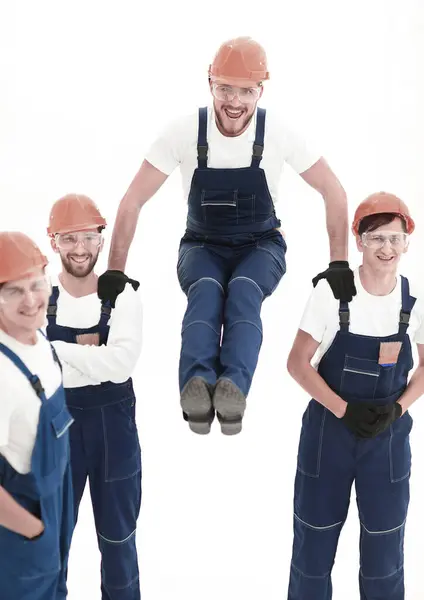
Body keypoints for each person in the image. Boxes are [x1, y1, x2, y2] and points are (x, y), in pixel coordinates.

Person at [97, 36, 355, 435]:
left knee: (244, 291)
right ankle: (196, 388)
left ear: (261, 91)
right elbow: (132, 201)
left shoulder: (279, 133)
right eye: (225, 89)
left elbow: (333, 190)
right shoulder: (182, 132)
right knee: (206, 290)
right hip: (201, 245)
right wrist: (115, 270)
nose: (234, 102)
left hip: (262, 245)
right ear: (210, 84)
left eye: (246, 91)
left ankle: (233, 389)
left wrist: (339, 262)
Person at [286, 192, 424, 600]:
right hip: (329, 435)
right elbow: (296, 363)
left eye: (395, 239)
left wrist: (397, 408)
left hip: (387, 441)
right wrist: (344, 410)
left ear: (407, 243)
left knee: (385, 552)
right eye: (376, 238)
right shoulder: (332, 293)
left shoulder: (413, 302)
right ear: (359, 240)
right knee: (313, 546)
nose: (386, 248)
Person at [45, 194, 143, 600]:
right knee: (50, 546)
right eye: (69, 239)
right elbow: (25, 362)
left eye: (88, 237)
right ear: (53, 242)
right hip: (55, 431)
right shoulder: (39, 298)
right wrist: (90, 352)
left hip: (113, 433)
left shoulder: (124, 297)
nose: (80, 249)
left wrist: (51, 348)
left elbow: (120, 365)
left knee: (118, 543)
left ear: (102, 239)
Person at [0, 231, 74, 599]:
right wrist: (33, 531)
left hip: (57, 497)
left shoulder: (41, 342)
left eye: (35, 285)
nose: (30, 300)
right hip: (22, 518)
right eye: (14, 291)